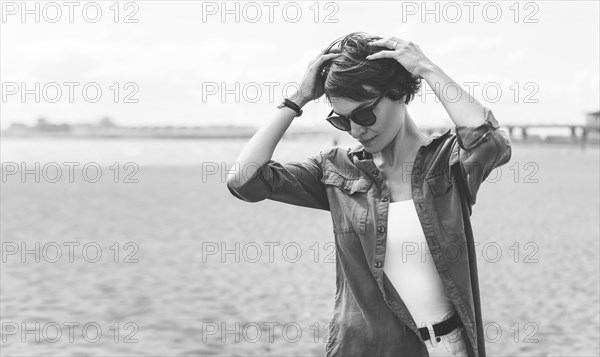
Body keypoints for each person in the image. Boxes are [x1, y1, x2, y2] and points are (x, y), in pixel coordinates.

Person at [226, 32, 512, 357]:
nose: (356, 130)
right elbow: (244, 181)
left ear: (400, 93)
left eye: (363, 115)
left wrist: (427, 68)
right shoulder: (336, 171)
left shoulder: (447, 162)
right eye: (341, 120)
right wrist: (298, 98)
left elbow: (490, 142)